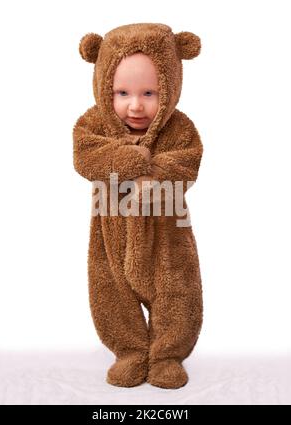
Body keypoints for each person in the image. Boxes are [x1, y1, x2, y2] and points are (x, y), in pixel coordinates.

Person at [73, 23, 204, 389]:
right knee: (110, 290)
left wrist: (155, 178)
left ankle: (166, 354)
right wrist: (130, 161)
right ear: (103, 86)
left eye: (149, 92)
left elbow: (187, 162)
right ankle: (129, 351)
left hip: (168, 233)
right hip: (111, 231)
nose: (135, 105)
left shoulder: (179, 128)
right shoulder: (92, 124)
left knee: (176, 289)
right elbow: (87, 158)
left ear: (171, 85)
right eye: (122, 92)